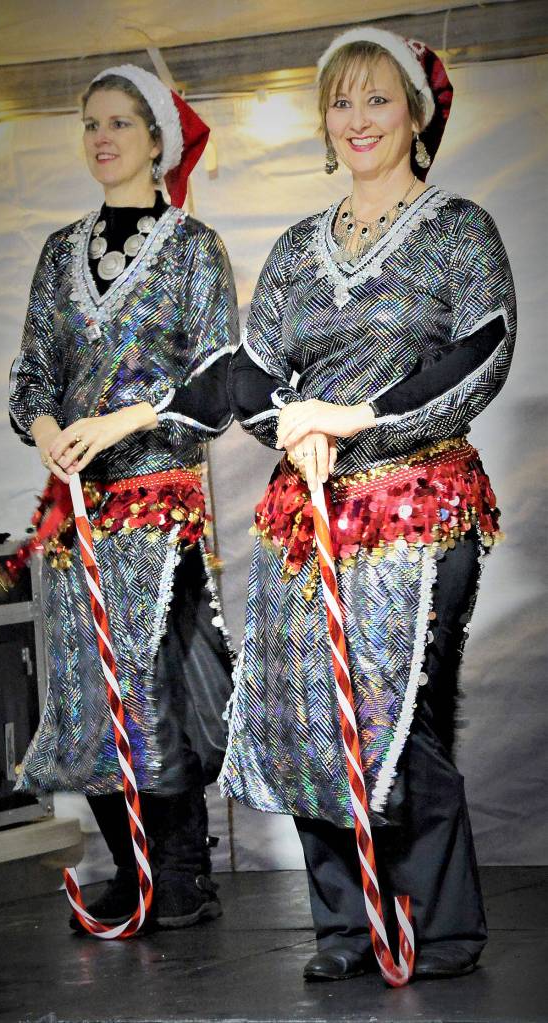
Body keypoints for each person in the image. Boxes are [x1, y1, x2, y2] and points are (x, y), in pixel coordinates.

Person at [220, 27, 515, 981]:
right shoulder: (299, 250)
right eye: (340, 102)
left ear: (416, 115)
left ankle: (441, 929)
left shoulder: (458, 229)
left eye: (377, 99)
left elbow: (481, 349)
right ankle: (345, 926)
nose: (356, 119)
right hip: (305, 516)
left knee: (405, 714)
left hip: (419, 504)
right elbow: (251, 372)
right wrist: (289, 424)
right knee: (313, 713)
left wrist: (353, 418)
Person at [8, 64, 239, 931]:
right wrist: (45, 430)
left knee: (153, 690)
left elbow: (216, 382)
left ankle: (181, 872)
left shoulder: (193, 248)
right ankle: (128, 866)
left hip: (159, 506)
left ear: (156, 140)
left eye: (120, 123)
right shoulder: (57, 251)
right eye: (91, 123)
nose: (102, 137)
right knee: (82, 692)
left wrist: (116, 425)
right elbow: (32, 373)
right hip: (77, 512)